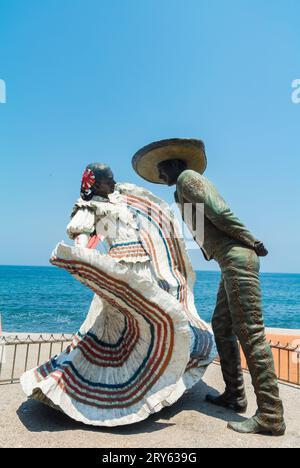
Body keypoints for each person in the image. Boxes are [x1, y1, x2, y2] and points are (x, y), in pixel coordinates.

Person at [21, 162, 216, 427]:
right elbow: (85, 240)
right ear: (96, 183)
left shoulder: (122, 198)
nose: (113, 183)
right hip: (121, 276)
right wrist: (87, 261)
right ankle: (117, 395)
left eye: (113, 178)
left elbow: (150, 221)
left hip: (145, 275)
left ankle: (158, 386)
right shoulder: (91, 208)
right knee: (122, 335)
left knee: (157, 328)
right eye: (108, 180)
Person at [132, 138, 286, 436]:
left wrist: (251, 240)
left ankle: (270, 414)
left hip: (237, 258)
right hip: (228, 261)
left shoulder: (188, 179)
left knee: (251, 333)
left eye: (162, 170)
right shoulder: (181, 190)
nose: (160, 176)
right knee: (221, 324)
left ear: (174, 165)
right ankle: (235, 394)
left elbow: (218, 212)